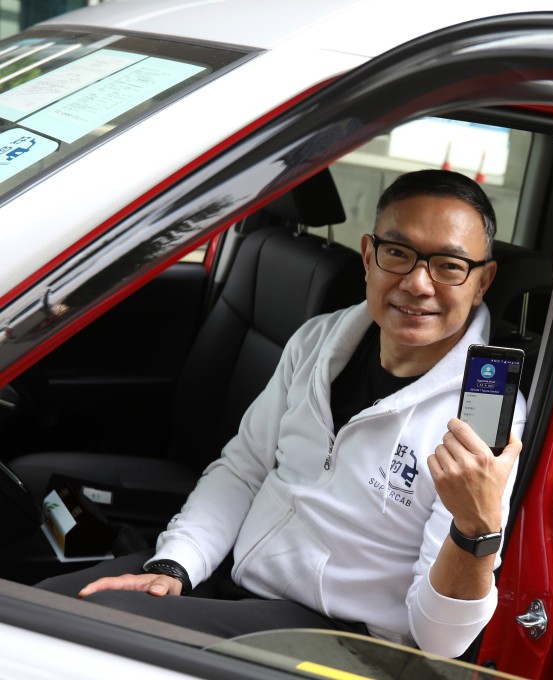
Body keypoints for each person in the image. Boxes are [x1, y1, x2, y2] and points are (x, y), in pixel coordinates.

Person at [37, 169, 526, 658]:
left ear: (482, 281)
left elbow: (441, 641)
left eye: (449, 265)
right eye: (397, 253)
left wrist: (474, 527)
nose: (418, 283)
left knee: (68, 639)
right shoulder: (319, 341)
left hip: (338, 637)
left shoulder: (481, 415)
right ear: (367, 257)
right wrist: (176, 565)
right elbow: (243, 470)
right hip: (235, 578)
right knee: (42, 607)